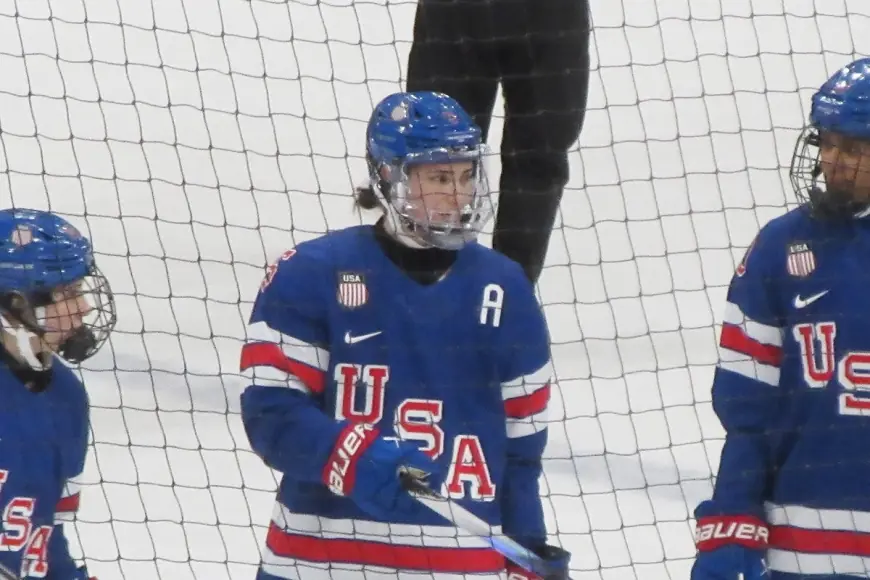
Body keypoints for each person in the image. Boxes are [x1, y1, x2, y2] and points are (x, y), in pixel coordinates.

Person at [240, 91, 570, 580]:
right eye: (438, 177)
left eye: (465, 175)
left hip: (460, 568)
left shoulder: (506, 290)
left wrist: (527, 548)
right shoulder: (310, 273)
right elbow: (271, 415)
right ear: (389, 177)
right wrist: (352, 456)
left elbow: (521, 451)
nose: (458, 194)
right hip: (318, 563)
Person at [692, 57, 870, 580]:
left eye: (854, 147)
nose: (833, 160)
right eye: (827, 142)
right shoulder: (778, 248)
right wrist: (730, 525)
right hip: (802, 546)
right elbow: (746, 415)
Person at [404, 0, 590, 284]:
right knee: (438, 153)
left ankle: (507, 299)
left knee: (538, 160)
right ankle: (430, 293)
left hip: (550, 16)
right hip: (460, 13)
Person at [0, 209, 116, 579]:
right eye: (67, 293)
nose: (83, 307)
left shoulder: (65, 396)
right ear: (16, 304)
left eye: (79, 290)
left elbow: (46, 535)